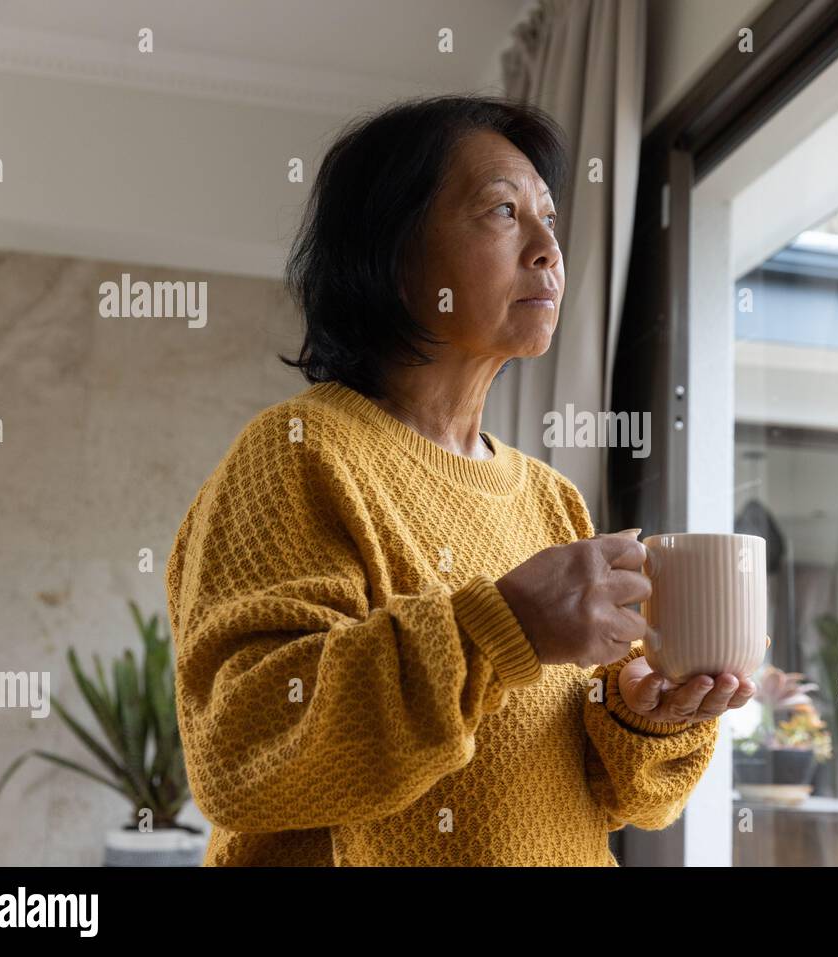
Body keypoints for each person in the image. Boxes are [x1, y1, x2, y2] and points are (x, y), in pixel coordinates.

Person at [164, 94, 755, 866]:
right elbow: (243, 750)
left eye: (549, 217)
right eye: (503, 212)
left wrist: (647, 717)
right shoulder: (300, 452)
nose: (549, 248)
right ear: (393, 250)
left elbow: (623, 797)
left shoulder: (550, 497)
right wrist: (500, 626)